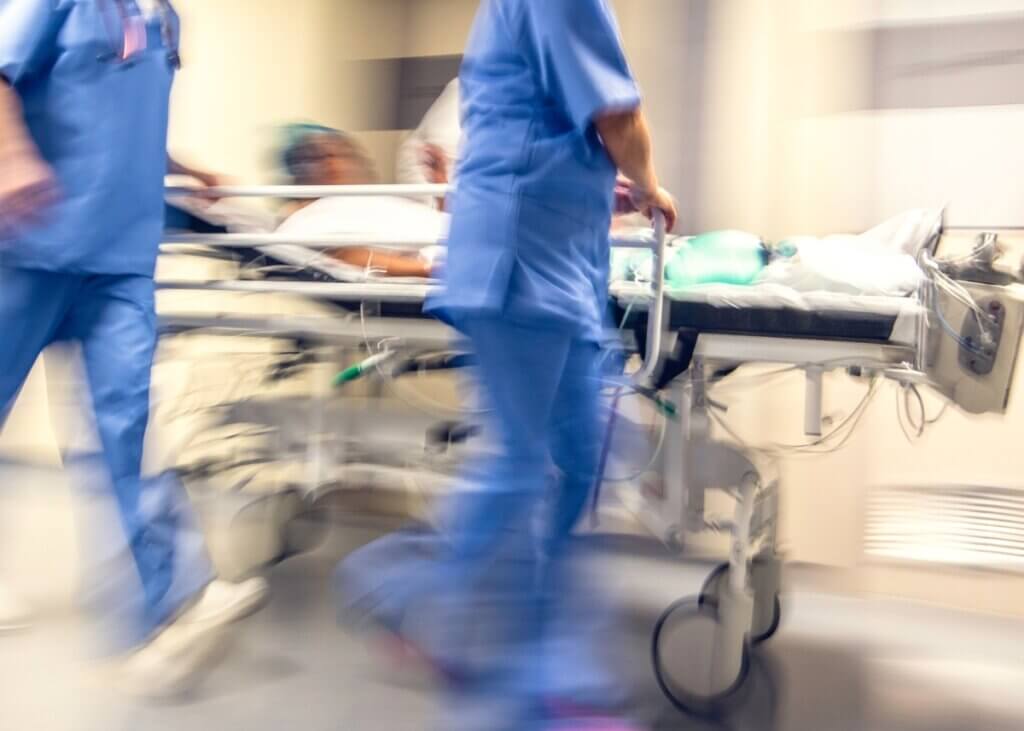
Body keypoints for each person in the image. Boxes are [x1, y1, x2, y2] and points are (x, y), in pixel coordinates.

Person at [338, 1, 677, 729]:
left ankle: (493, 636)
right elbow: (617, 116)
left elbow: (541, 120)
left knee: (583, 459)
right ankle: (495, 658)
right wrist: (648, 181)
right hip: (519, 259)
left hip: (560, 263)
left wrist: (599, 181)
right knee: (524, 466)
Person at [0, 0, 267, 693]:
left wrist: (187, 171)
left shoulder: (167, 20)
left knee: (125, 423)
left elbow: (126, 122)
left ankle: (173, 603)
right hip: (27, 245)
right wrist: (11, 156)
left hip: (120, 258)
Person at [277, 124, 444, 278]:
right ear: (299, 176)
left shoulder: (373, 202)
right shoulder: (309, 217)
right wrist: (428, 269)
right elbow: (347, 256)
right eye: (319, 157)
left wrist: (441, 190)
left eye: (340, 153)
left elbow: (438, 225)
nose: (331, 163)